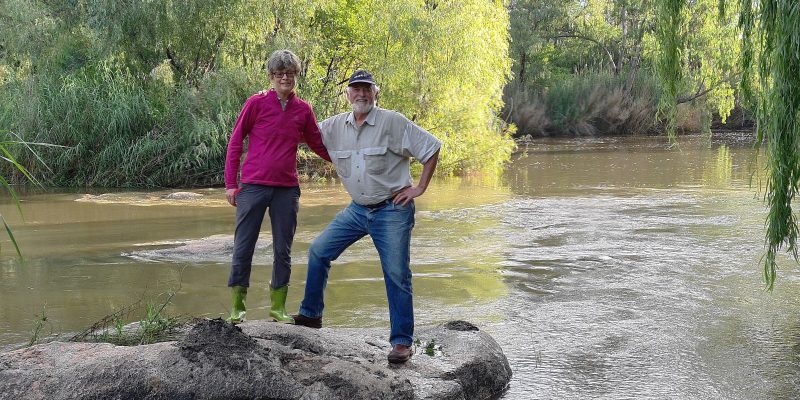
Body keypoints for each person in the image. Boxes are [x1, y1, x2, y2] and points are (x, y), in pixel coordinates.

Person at [293, 69, 441, 364]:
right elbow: (297, 133)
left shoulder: (393, 122)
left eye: (366, 89)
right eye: (355, 89)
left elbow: (432, 147)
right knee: (318, 252)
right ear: (347, 94)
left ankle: (401, 342)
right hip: (357, 210)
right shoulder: (334, 126)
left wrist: (419, 187)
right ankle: (311, 316)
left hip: (392, 210)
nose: (361, 94)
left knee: (397, 274)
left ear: (376, 93)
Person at [224, 49, 330, 324]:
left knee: (283, 249)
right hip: (253, 187)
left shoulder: (303, 109)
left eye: (291, 73)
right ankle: (238, 307)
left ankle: (277, 308)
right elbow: (235, 142)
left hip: (286, 189)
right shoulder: (255, 103)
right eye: (280, 73)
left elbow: (317, 143)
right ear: (271, 76)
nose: (286, 78)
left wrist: (346, 160)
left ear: (296, 76)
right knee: (243, 246)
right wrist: (230, 184)